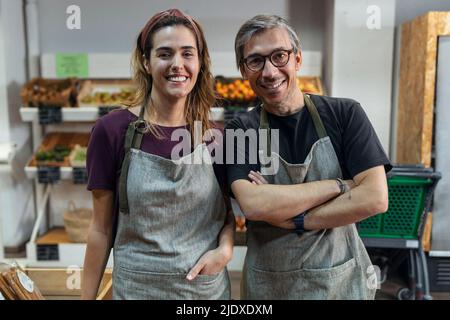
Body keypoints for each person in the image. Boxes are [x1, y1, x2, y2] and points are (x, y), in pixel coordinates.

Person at [226, 14, 391, 300]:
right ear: (244, 70)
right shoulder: (241, 129)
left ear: (298, 60)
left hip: (339, 283)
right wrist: (340, 186)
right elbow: (253, 205)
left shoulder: (345, 115)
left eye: (279, 56)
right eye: (255, 61)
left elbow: (375, 198)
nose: (269, 71)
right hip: (270, 286)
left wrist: (295, 219)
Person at [82, 9, 234, 300]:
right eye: (165, 54)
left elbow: (225, 215)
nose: (178, 64)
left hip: (202, 293)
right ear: (146, 61)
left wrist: (225, 250)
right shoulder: (112, 131)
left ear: (200, 63)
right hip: (137, 290)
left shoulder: (215, 138)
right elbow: (100, 229)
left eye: (188, 54)